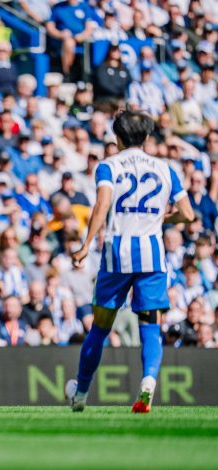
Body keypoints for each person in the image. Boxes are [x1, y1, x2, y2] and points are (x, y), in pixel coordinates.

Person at [68, 111, 195, 413]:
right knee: (150, 325)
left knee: (99, 328)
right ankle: (148, 381)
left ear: (119, 137)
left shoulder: (109, 166)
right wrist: (164, 217)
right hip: (152, 256)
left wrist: (86, 245)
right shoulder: (165, 168)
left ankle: (81, 394)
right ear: (147, 137)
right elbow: (188, 214)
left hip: (117, 255)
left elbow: (102, 204)